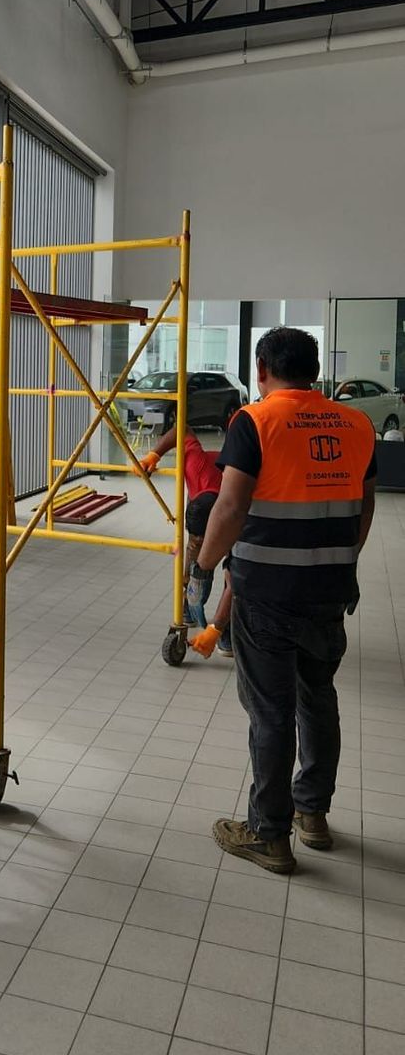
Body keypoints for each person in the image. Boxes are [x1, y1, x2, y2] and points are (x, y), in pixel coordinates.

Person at [196, 327, 376, 874]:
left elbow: (229, 508)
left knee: (271, 713)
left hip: (268, 595)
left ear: (261, 369)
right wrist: (340, 559)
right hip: (330, 589)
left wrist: (202, 565)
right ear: (314, 370)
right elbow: (364, 507)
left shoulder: (255, 420)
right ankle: (312, 813)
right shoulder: (356, 423)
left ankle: (268, 834)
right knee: (318, 699)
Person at [141, 425, 233, 656]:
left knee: (235, 570)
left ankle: (227, 633)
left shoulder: (238, 498)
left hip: (234, 512)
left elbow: (238, 579)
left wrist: (216, 626)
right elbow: (183, 429)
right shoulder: (196, 467)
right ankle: (189, 609)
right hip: (207, 497)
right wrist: (155, 453)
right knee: (193, 560)